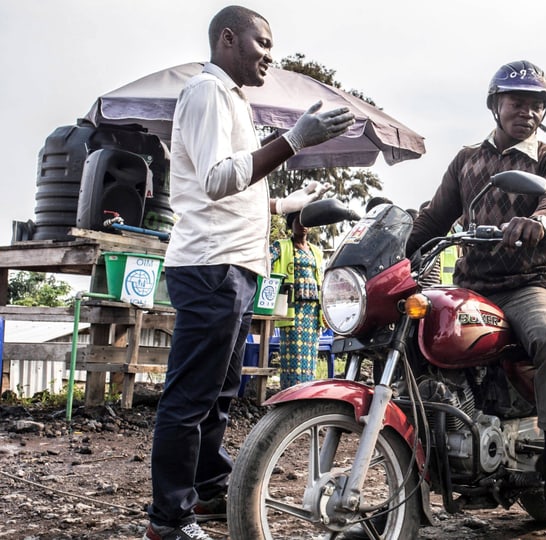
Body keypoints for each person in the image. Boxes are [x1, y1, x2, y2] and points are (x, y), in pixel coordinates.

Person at [145, 6, 355, 540]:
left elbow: (232, 194)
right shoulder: (206, 93)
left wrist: (290, 205)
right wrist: (294, 141)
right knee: (191, 395)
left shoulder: (231, 100)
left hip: (234, 265)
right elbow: (218, 181)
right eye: (261, 43)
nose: (269, 54)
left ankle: (210, 486)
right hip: (211, 265)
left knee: (219, 391)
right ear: (228, 39)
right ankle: (169, 520)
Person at [406, 60, 546, 524]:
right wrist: (402, 246)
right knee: (408, 337)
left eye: (537, 104)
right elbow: (436, 217)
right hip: (471, 286)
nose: (528, 111)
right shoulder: (466, 159)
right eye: (517, 101)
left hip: (526, 285)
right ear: (494, 104)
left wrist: (539, 222)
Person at [271, 211, 325, 389]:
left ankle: (306, 393)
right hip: (293, 309)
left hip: (313, 311)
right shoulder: (282, 245)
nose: (301, 225)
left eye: (305, 221)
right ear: (291, 224)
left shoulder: (316, 251)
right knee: (292, 356)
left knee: (310, 355)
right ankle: (290, 393)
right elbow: (266, 261)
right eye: (297, 221)